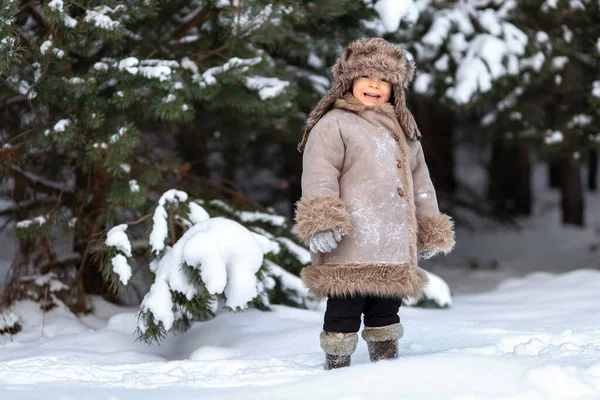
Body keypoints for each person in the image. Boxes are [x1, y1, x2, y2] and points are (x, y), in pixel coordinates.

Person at [293, 38, 456, 370]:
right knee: (344, 311)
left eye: (384, 80)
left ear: (395, 88)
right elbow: (320, 173)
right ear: (348, 80)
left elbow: (421, 183)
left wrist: (427, 229)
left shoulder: (404, 130)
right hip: (350, 242)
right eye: (367, 76)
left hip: (393, 244)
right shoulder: (334, 124)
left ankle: (385, 370)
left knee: (385, 312)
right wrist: (322, 220)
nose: (374, 85)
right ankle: (337, 370)